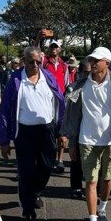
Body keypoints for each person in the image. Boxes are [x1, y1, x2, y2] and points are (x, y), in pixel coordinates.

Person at [63, 46, 111, 221]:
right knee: (91, 182)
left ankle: (102, 209)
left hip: (109, 142)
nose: (92, 63)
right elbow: (74, 116)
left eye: (96, 60)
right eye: (91, 60)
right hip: (87, 140)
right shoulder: (80, 86)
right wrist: (72, 142)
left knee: (106, 180)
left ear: (106, 63)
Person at [0, 46, 64, 221]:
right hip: (24, 132)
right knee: (26, 171)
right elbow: (5, 111)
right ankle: (27, 210)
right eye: (30, 62)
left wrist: (62, 131)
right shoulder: (16, 80)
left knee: (47, 167)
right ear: (23, 61)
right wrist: (4, 140)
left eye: (38, 61)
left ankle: (34, 192)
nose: (35, 65)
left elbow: (60, 103)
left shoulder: (48, 78)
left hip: (46, 131)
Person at [66, 59, 92, 199]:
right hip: (78, 129)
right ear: (79, 73)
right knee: (76, 160)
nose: (89, 75)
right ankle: (76, 187)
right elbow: (69, 114)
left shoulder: (98, 87)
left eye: (91, 72)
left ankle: (98, 188)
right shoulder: (73, 89)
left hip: (93, 131)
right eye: (86, 72)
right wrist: (68, 136)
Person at [43, 40, 70, 173]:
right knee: (48, 131)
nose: (53, 48)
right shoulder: (45, 62)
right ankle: (49, 159)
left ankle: (60, 160)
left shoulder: (64, 65)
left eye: (56, 46)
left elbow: (66, 84)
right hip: (46, 101)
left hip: (60, 101)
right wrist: (38, 39)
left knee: (61, 131)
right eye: (51, 46)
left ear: (60, 49)